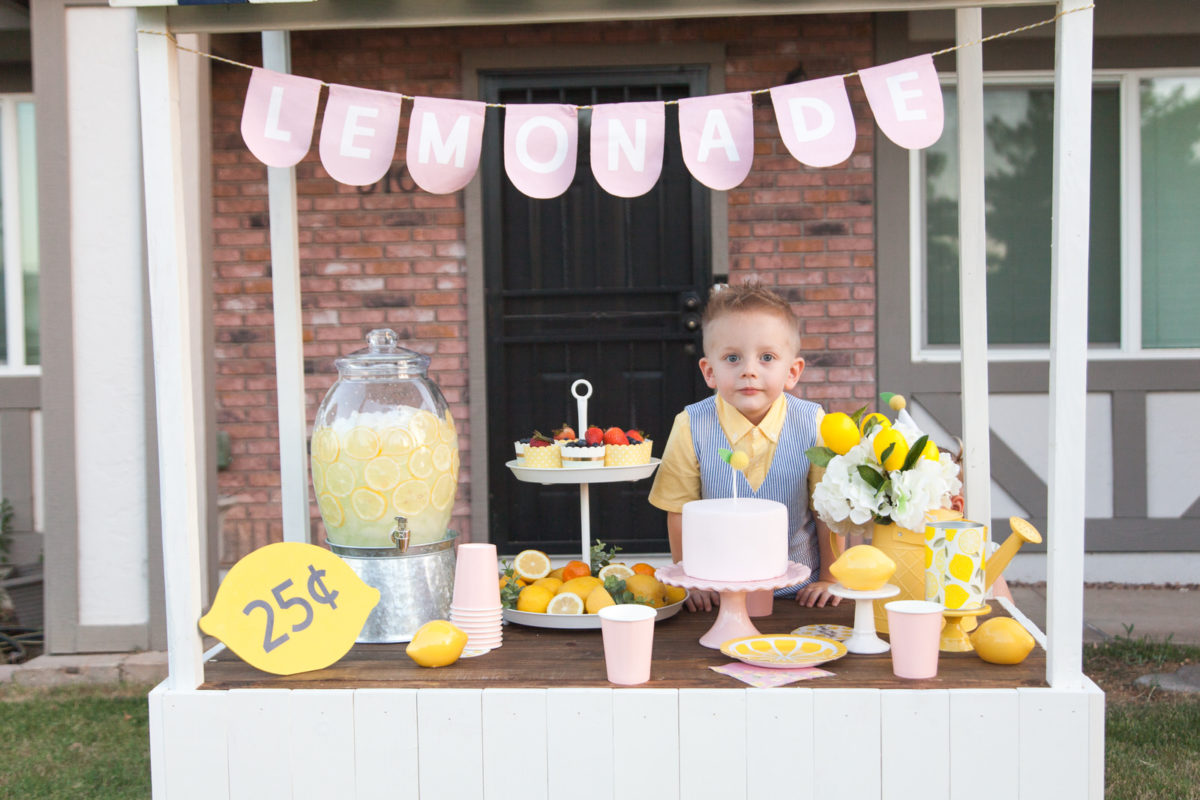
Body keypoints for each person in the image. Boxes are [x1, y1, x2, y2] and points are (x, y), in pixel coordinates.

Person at [648, 283, 840, 611]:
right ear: (709, 371)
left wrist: (831, 578)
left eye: (767, 357)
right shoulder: (691, 424)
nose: (749, 370)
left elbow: (827, 512)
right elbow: (679, 511)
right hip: (717, 594)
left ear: (792, 372)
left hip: (798, 593)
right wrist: (690, 580)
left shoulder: (813, 423)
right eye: (732, 358)